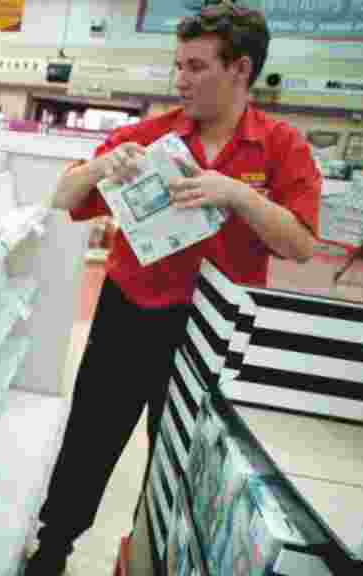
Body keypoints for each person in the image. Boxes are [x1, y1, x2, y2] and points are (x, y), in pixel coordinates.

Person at [25, 4, 320, 575]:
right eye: (178, 64)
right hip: (129, 312)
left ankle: (147, 552)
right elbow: (64, 199)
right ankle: (54, 545)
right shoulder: (146, 136)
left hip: (214, 329)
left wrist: (237, 195)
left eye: (196, 66)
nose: (180, 79)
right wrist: (103, 166)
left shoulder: (282, 148)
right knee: (91, 436)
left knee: (182, 450)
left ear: (240, 69)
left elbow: (301, 244)